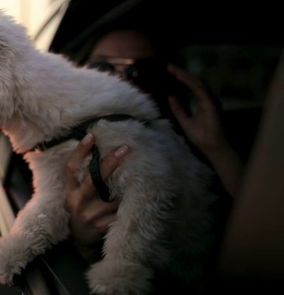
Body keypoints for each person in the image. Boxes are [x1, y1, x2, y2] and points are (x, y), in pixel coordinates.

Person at [64, 28, 243, 263]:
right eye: (102, 69)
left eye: (141, 71)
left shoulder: (189, 156)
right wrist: (81, 241)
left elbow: (262, 230)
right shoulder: (59, 149)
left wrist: (218, 150)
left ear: (162, 83)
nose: (121, 81)